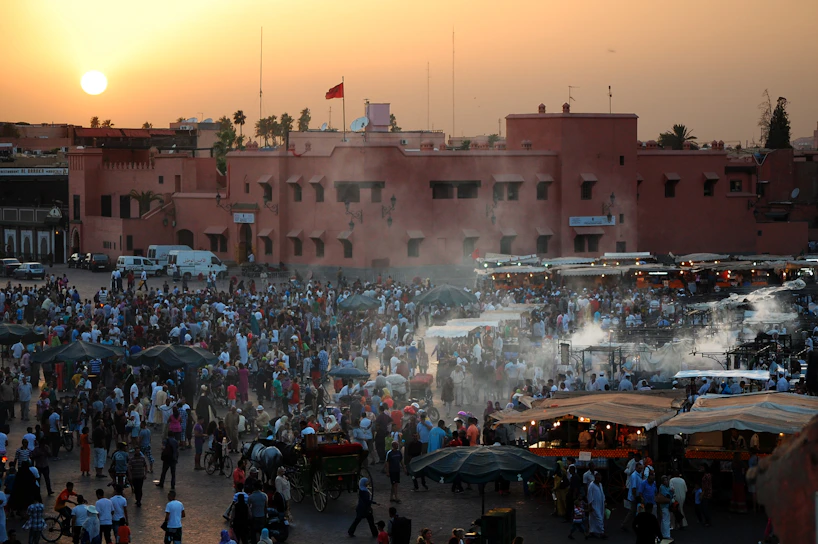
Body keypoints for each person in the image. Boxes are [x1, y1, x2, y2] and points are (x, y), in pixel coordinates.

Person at [586, 472, 606, 539]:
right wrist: (590, 505)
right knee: (599, 518)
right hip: (594, 504)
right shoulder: (591, 485)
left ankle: (592, 531)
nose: (598, 480)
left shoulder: (600, 484)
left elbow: (602, 494)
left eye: (600, 478)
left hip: (600, 504)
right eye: (597, 478)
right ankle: (601, 532)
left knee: (594, 518)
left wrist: (604, 501)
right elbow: (589, 496)